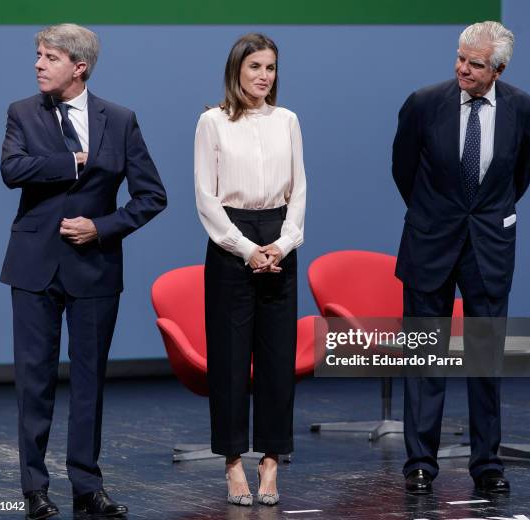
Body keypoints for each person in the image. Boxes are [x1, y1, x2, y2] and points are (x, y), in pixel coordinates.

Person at [0, 23, 167, 519]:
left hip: (94, 267)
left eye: (48, 57)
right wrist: (69, 162)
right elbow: (12, 170)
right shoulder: (22, 113)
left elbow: (152, 196)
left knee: (90, 380)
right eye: (37, 54)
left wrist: (102, 226)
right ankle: (34, 489)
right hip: (33, 266)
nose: (37, 64)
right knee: (34, 380)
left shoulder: (119, 119)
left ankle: (86, 488)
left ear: (79, 67)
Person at [392, 21, 530, 494]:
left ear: (498, 69)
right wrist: (437, 215)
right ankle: (419, 463)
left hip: (489, 248)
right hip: (430, 240)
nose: (463, 69)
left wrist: (483, 219)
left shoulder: (525, 110)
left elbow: (520, 176)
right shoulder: (423, 103)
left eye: (475, 64)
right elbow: (403, 170)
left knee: (485, 358)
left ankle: (488, 464)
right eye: (460, 58)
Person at [194, 33, 306, 506]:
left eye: (271, 67)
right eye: (256, 66)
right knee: (231, 361)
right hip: (231, 245)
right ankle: (234, 462)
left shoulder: (287, 120)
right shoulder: (212, 122)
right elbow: (205, 196)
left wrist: (282, 243)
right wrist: (246, 249)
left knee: (279, 361)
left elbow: (299, 190)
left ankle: (272, 462)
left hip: (279, 240)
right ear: (237, 70)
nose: (264, 76)